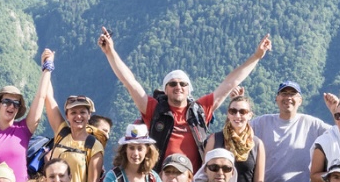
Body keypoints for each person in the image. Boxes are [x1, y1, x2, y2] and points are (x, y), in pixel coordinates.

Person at [99, 28, 272, 172]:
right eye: (172, 84)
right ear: (165, 90)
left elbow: (230, 82)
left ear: (189, 89)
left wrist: (256, 56)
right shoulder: (154, 109)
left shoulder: (200, 110)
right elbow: (130, 82)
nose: (178, 87)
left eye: (183, 84)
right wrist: (110, 52)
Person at [0, 54, 53, 182]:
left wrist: (47, 68)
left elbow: (40, 97)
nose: (11, 106)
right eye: (7, 102)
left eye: (16, 104)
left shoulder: (23, 129)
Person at [42, 90, 106, 182]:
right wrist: (46, 72)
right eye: (73, 113)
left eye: (82, 112)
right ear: (67, 116)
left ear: (89, 115)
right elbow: (48, 97)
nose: (78, 116)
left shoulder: (94, 146)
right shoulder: (61, 133)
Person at [204, 93, 264, 182]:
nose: (237, 115)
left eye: (242, 112)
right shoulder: (215, 140)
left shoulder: (257, 144)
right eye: (233, 111)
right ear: (228, 114)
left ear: (250, 115)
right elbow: (204, 173)